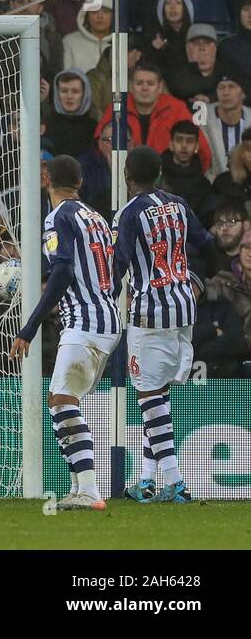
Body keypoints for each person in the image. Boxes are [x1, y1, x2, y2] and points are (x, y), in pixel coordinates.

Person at [9, 154, 120, 511]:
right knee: (64, 400)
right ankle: (79, 488)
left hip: (85, 321)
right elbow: (108, 270)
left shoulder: (58, 217)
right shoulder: (97, 218)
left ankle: (89, 489)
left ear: (46, 178)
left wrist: (29, 327)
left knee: (61, 401)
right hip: (107, 317)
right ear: (81, 182)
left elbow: (62, 270)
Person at [112, 146, 217, 504]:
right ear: (158, 172)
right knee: (157, 395)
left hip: (149, 313)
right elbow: (207, 244)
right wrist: (196, 283)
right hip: (183, 308)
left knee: (148, 397)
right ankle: (145, 480)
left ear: (127, 176)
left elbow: (118, 264)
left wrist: (104, 295)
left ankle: (175, 482)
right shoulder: (178, 204)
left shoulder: (128, 214)